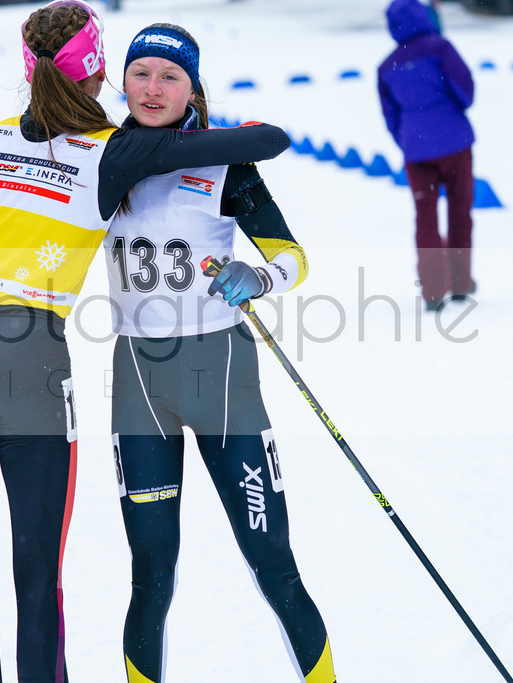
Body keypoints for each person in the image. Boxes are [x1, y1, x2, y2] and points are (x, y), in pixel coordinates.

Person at [0, 2, 290, 680]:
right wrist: (239, 132)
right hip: (31, 359)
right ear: (100, 72)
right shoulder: (114, 151)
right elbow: (265, 142)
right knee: (35, 576)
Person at [105, 24, 336, 683]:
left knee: (274, 564)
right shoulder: (102, 161)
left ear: (192, 88)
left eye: (170, 76)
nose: (153, 88)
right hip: (139, 386)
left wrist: (259, 277)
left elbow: (291, 256)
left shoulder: (224, 163)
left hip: (224, 379)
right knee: (151, 574)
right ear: (124, 80)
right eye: (141, 73)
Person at [378, 0, 476, 311]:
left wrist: (409, 139)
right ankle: (460, 283)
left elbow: (390, 116)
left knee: (426, 217)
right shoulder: (441, 48)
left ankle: (433, 290)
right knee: (459, 212)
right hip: (455, 144)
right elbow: (466, 91)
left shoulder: (386, 67)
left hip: (416, 153)